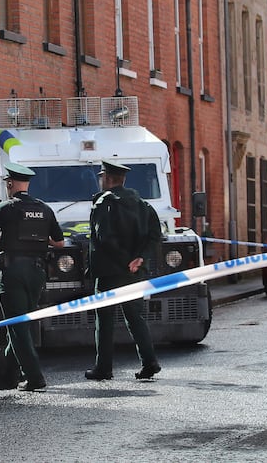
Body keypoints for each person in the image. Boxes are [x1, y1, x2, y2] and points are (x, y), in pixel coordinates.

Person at [0, 161, 64, 391]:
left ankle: (35, 377)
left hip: (14, 273)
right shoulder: (45, 209)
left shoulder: (5, 208)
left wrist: (4, 236)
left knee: (17, 325)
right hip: (38, 272)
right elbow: (59, 243)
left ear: (10, 184)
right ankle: (10, 375)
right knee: (21, 324)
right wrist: (39, 237)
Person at [85, 159, 163, 381]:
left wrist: (123, 261)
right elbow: (155, 235)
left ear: (107, 179)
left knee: (105, 320)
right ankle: (150, 362)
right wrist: (139, 259)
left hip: (109, 272)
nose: (101, 181)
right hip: (134, 272)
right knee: (136, 318)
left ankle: (103, 368)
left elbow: (104, 238)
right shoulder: (142, 204)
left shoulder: (103, 203)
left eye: (102, 177)